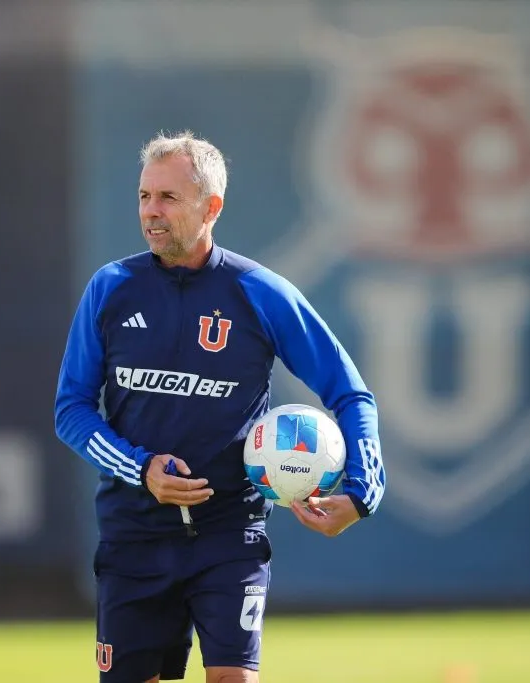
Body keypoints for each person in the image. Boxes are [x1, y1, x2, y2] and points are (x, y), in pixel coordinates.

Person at [54, 131, 385, 683]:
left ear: (212, 207)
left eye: (168, 198)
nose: (151, 213)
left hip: (230, 535)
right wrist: (141, 469)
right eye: (143, 197)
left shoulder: (260, 291)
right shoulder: (111, 288)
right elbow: (72, 411)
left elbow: (350, 393)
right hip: (133, 535)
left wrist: (362, 492)